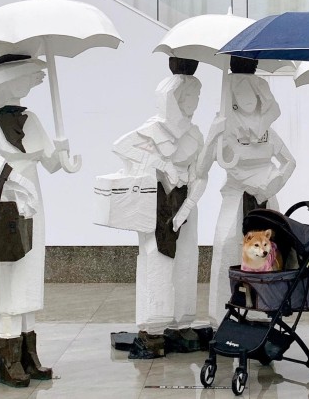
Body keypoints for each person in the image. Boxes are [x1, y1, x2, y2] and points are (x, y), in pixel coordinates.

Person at [0, 54, 62, 387]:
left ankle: (27, 348)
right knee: (6, 272)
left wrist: (65, 154)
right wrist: (16, 176)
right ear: (8, 82)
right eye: (25, 78)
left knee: (29, 272)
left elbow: (53, 162)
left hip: (33, 203)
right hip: (4, 204)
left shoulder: (32, 119)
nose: (31, 82)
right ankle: (6, 347)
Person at [109, 57, 207, 357]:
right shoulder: (150, 132)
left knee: (187, 260)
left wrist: (188, 205)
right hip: (157, 207)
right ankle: (152, 327)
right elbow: (122, 149)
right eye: (188, 97)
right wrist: (159, 167)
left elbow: (199, 175)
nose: (193, 102)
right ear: (173, 98)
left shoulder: (194, 134)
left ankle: (181, 321)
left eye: (197, 97)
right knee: (156, 262)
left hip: (185, 208)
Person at [196, 56, 296, 327]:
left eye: (254, 91)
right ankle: (221, 318)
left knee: (268, 257)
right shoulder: (225, 129)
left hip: (265, 198)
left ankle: (264, 313)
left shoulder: (268, 134)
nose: (249, 96)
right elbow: (201, 168)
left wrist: (274, 182)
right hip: (235, 197)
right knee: (227, 250)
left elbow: (289, 162)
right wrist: (211, 138)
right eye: (241, 90)